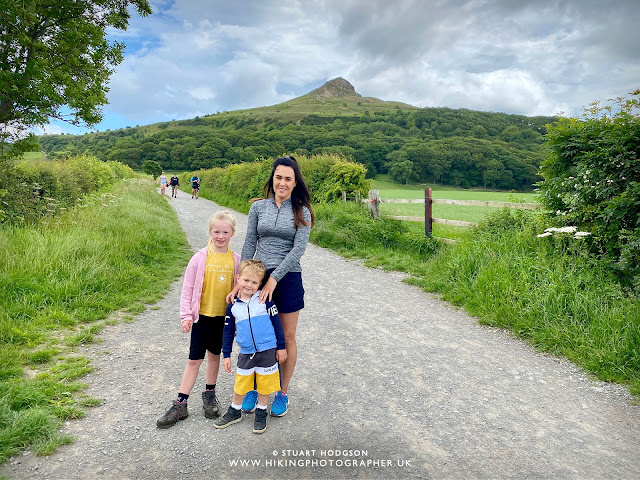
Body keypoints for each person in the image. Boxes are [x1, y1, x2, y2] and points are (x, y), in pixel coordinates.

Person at [226, 155, 314, 417]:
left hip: (287, 279)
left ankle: (282, 393)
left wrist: (275, 279)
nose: (282, 183)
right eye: (278, 177)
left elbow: (298, 250)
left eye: (288, 178)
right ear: (272, 179)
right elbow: (248, 244)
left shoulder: (303, 212)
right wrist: (239, 281)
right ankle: (255, 388)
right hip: (257, 278)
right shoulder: (258, 208)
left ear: (295, 182)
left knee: (286, 338)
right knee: (256, 337)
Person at [156, 211, 241, 429]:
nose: (220, 236)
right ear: (210, 232)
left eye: (225, 231)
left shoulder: (236, 261)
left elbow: (241, 293)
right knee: (194, 359)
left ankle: (209, 394)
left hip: (223, 320)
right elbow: (188, 290)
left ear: (232, 232)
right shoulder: (200, 258)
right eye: (216, 231)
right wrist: (186, 316)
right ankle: (181, 402)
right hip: (201, 318)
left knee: (215, 356)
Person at [214, 260, 286, 434]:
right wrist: (226, 355)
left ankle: (261, 412)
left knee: (265, 383)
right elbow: (228, 332)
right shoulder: (233, 306)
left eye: (254, 282)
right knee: (241, 383)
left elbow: (277, 324)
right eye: (246, 280)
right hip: (246, 352)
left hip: (268, 350)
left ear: (260, 284)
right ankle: (234, 410)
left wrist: (281, 347)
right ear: (238, 279)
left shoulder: (265, 300)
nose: (249, 285)